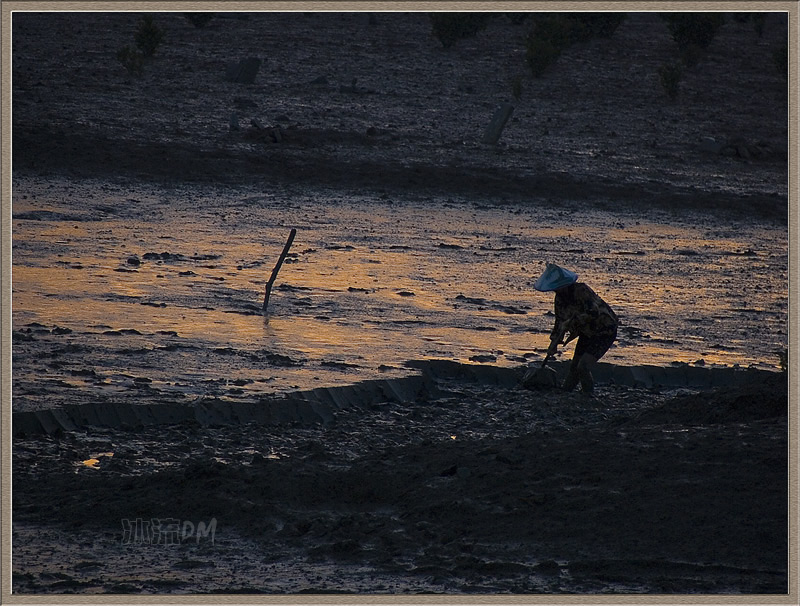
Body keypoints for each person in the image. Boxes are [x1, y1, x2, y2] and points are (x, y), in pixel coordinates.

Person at [533, 262, 618, 394]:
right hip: (586, 332)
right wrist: (554, 342)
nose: (557, 290)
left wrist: (573, 321)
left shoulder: (582, 291)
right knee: (574, 367)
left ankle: (588, 395)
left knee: (583, 366)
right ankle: (566, 392)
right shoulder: (560, 299)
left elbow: (593, 312)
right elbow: (559, 322)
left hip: (604, 331)